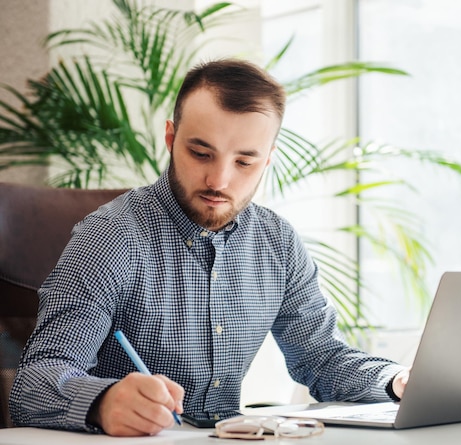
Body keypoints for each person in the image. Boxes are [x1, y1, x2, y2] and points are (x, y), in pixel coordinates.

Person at [9, 58, 409, 437]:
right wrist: (101, 402)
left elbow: (321, 358)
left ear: (267, 160)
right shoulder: (111, 237)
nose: (218, 180)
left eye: (244, 162)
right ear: (170, 138)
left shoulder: (278, 242)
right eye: (201, 153)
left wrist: (396, 381)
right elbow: (34, 383)